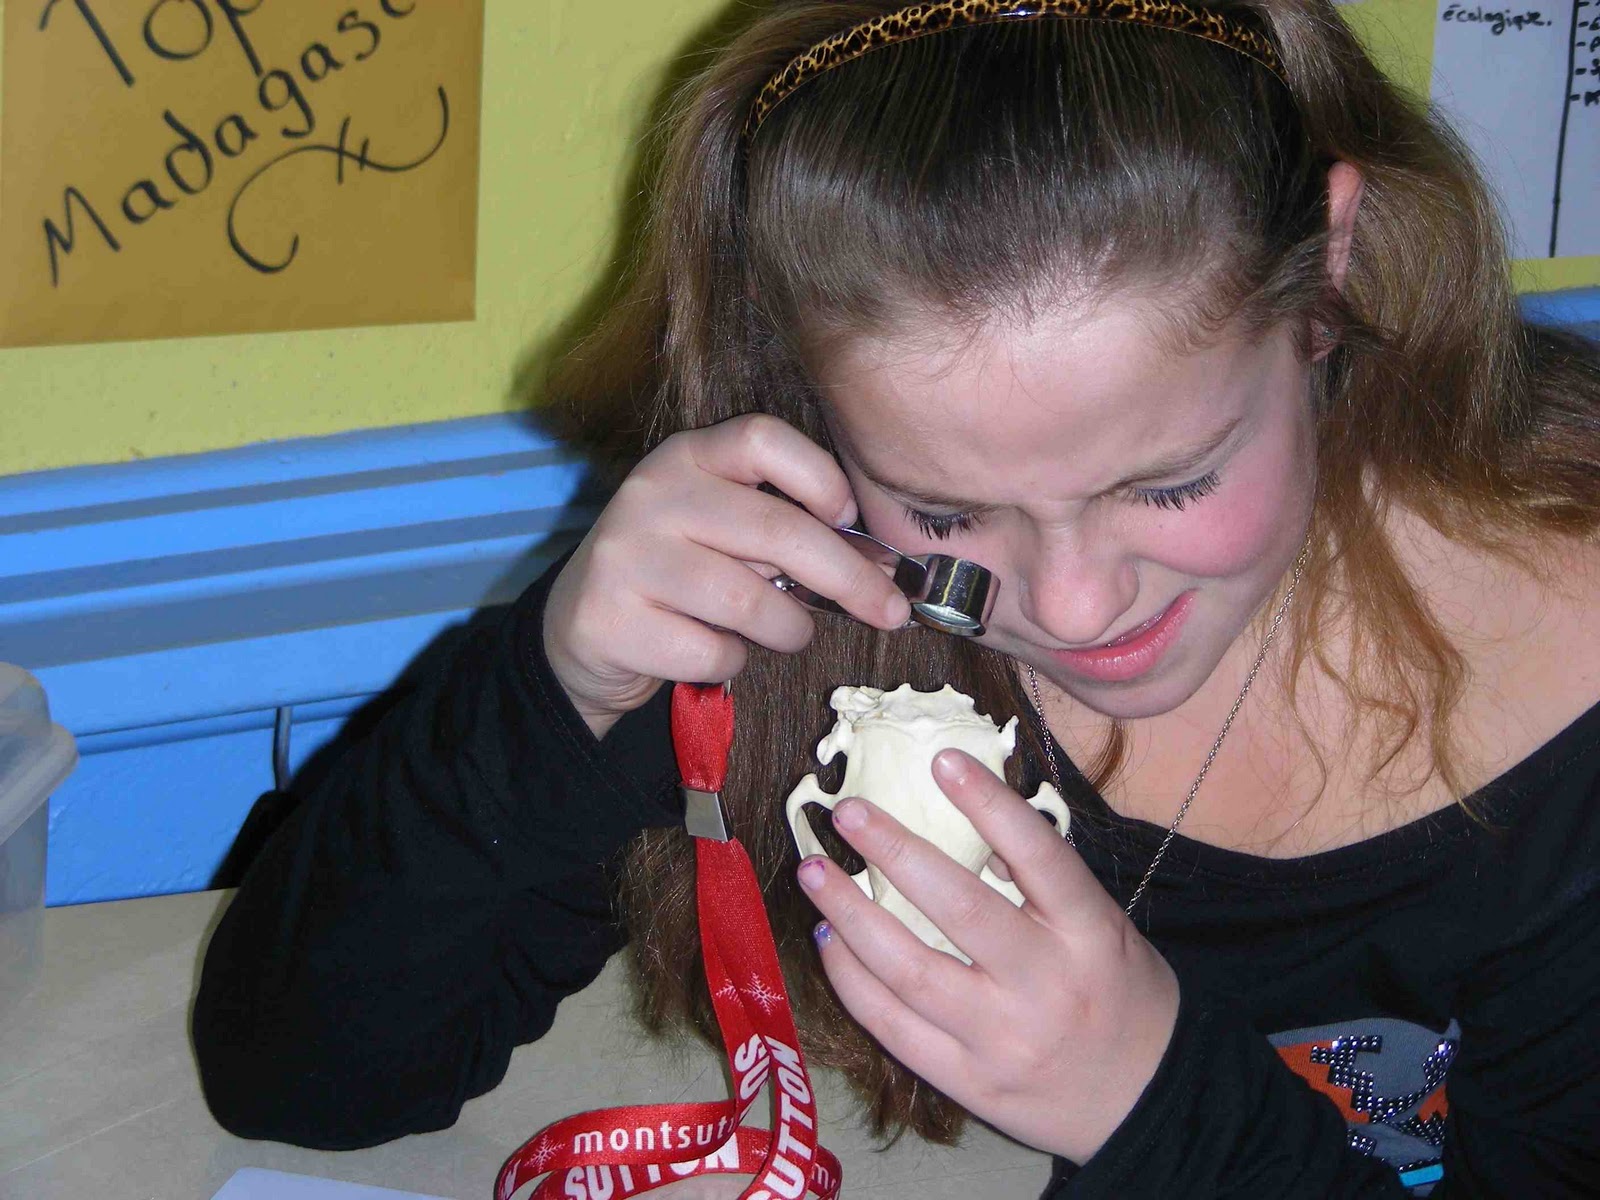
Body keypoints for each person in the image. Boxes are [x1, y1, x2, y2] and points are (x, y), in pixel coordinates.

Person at [193, 1, 1600, 1194]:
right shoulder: (795, 564)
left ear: (1329, 267)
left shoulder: (1565, 661)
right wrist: (552, 687)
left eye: (1166, 483)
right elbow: (306, 1082)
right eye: (945, 508)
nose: (1070, 601)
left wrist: (1149, 1100)